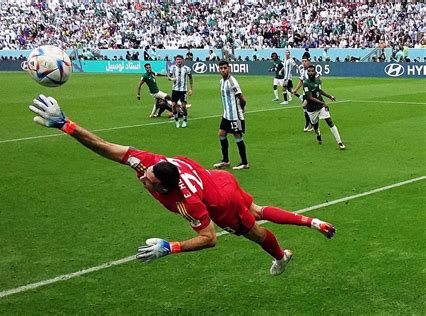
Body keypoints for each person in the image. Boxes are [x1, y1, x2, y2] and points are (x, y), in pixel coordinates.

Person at [27, 95, 337, 276]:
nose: (143, 178)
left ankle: (282, 255)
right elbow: (106, 146)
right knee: (256, 209)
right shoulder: (149, 162)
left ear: (165, 187)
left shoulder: (188, 203)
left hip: (220, 199)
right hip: (219, 178)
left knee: (254, 230)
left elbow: (209, 238)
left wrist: (170, 247)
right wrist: (66, 125)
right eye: (146, 174)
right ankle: (311, 222)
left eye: (149, 180)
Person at [213, 60, 249, 170]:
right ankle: (225, 160)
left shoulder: (232, 82)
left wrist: (241, 109)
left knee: (237, 137)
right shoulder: (221, 81)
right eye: (221, 68)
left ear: (229, 68)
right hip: (226, 115)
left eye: (225, 68)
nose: (223, 70)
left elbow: (242, 98)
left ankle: (244, 163)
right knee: (221, 134)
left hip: (235, 116)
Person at [303, 65, 346, 150]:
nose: (311, 73)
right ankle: (318, 135)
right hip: (311, 109)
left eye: (312, 71)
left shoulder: (318, 81)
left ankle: (340, 142)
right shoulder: (306, 83)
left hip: (320, 106)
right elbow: (309, 97)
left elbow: (319, 91)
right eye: (309, 71)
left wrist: (329, 96)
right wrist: (323, 103)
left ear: (315, 72)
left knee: (329, 121)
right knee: (315, 125)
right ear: (307, 72)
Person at [167, 55, 193, 128]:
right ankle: (176, 121)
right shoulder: (172, 68)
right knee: (174, 105)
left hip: (183, 90)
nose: (178, 61)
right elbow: (169, 76)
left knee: (183, 106)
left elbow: (190, 78)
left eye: (180, 59)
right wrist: (171, 79)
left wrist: (191, 89)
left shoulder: (187, 68)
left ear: (182, 60)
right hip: (175, 90)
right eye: (177, 59)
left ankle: (184, 120)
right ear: (176, 60)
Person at [292, 56, 315, 132]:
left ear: (309, 61)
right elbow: (301, 81)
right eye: (303, 61)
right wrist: (295, 90)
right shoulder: (303, 71)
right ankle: (309, 123)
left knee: (308, 108)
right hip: (305, 93)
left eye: (305, 61)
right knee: (305, 109)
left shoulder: (312, 71)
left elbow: (317, 82)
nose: (304, 63)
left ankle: (311, 123)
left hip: (311, 94)